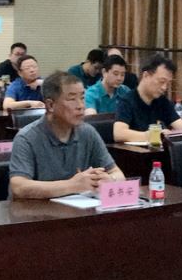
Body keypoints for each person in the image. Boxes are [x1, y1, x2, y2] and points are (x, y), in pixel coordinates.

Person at [8, 71, 125, 199]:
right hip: (37, 210)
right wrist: (73, 185)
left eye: (82, 98)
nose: (81, 106)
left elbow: (117, 174)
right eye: (72, 99)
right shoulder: (27, 138)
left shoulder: (87, 132)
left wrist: (110, 180)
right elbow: (19, 187)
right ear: (50, 105)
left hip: (79, 208)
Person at [113, 54, 182, 142]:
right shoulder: (127, 101)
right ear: (146, 75)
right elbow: (119, 134)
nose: (164, 87)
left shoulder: (162, 101)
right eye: (161, 82)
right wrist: (155, 135)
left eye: (168, 83)